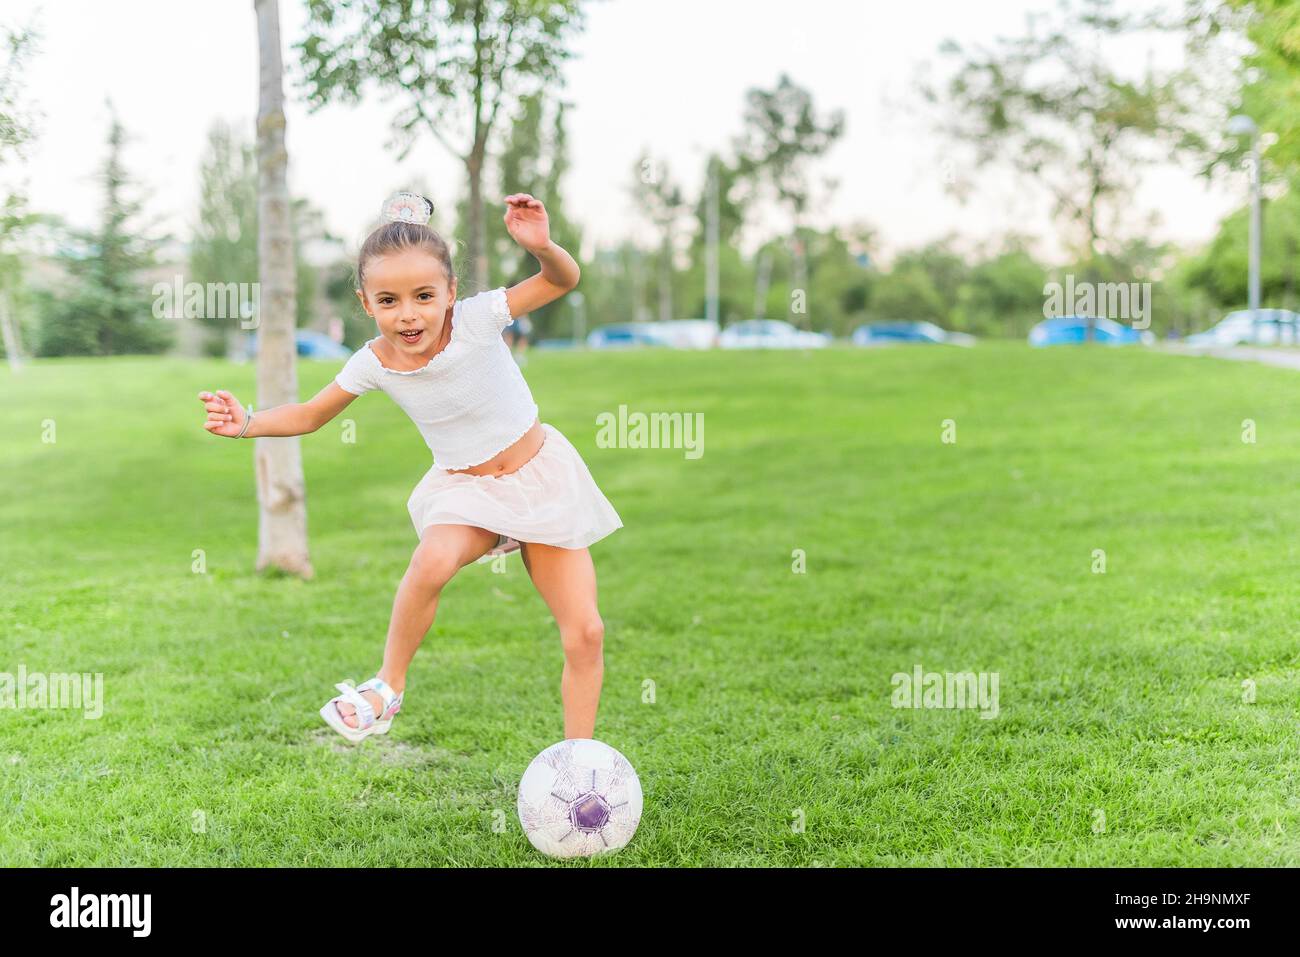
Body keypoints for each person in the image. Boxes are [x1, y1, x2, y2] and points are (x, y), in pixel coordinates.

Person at [196, 190, 621, 743]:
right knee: (433, 558)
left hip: (538, 479)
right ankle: (386, 687)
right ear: (366, 302)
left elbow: (562, 281)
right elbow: (308, 415)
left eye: (424, 295)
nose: (409, 314)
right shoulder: (373, 361)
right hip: (465, 492)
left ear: (449, 292)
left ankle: (577, 760)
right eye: (389, 300)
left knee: (585, 632)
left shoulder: (478, 318)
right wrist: (248, 421)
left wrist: (542, 247)